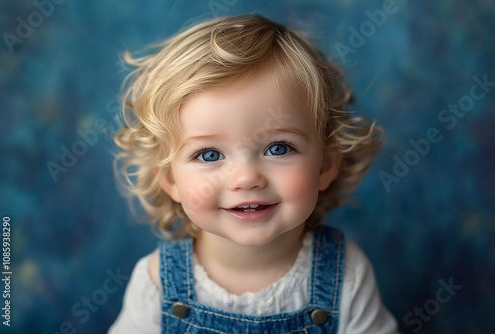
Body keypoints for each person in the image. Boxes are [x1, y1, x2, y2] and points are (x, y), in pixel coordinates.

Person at [109, 14, 397, 333]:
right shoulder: (156, 284)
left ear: (326, 165)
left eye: (278, 148)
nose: (246, 178)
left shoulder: (346, 276)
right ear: (171, 180)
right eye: (209, 154)